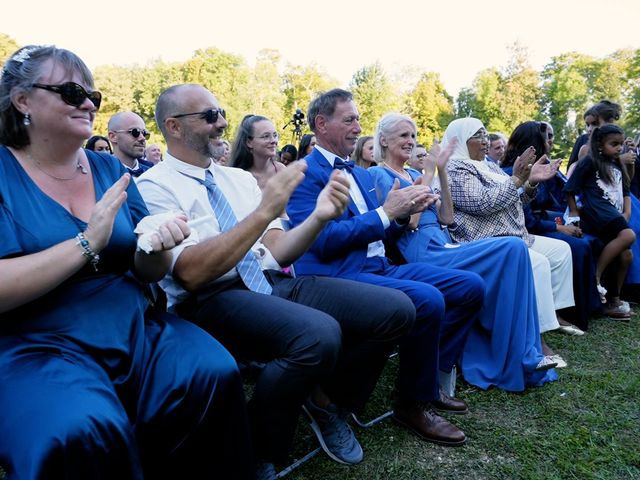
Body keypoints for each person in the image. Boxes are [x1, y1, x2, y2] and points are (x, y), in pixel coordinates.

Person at [137, 84, 416, 479]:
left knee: (396, 309)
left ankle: (325, 401)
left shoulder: (236, 179)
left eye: (221, 112)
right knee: (318, 335)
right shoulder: (155, 185)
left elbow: (279, 250)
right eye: (209, 116)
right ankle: (255, 447)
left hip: (267, 279)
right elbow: (191, 272)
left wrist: (318, 217)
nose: (221, 123)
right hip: (210, 298)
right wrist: (265, 210)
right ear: (174, 127)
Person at [0, 45, 252, 479]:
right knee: (77, 428)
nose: (87, 103)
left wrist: (154, 247)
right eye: (72, 91)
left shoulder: (104, 168)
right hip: (36, 342)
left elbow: (147, 270)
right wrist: (86, 243)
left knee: (213, 369)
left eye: (93, 97)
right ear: (23, 100)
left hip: (132, 322)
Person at [287, 88, 486, 448]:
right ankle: (412, 404)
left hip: (380, 266)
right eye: (349, 120)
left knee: (470, 287)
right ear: (321, 124)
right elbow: (322, 241)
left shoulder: (359, 175)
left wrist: (406, 211)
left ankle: (431, 378)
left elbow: (385, 230)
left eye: (358, 119)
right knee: (428, 300)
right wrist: (387, 212)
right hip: (338, 274)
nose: (357, 127)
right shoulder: (304, 173)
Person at [368, 113, 557, 391]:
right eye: (403, 136)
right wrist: (431, 173)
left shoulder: (413, 174)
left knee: (514, 252)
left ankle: (523, 353)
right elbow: (409, 223)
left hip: (445, 242)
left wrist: (440, 173)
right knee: (512, 247)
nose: (410, 141)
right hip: (424, 251)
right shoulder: (378, 174)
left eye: (413, 136)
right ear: (383, 140)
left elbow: (447, 218)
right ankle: (515, 354)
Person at [445, 117, 575, 367]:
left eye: (486, 134)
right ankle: (537, 339)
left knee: (560, 251)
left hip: (513, 233)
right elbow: (482, 203)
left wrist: (531, 182)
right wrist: (516, 179)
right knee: (536, 264)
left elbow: (515, 200)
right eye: (478, 135)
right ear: (461, 140)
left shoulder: (489, 166)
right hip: (486, 239)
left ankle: (550, 316)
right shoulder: (456, 169)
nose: (485, 141)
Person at [501, 121, 599, 331]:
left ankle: (585, 305)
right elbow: (527, 219)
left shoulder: (540, 169)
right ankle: (565, 312)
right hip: (528, 229)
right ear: (533, 143)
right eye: (547, 137)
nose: (551, 141)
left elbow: (553, 202)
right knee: (577, 247)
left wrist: (566, 219)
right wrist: (559, 228)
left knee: (585, 240)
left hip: (542, 221)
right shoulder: (513, 172)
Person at [565, 124, 636, 318]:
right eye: (614, 144)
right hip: (597, 214)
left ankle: (613, 299)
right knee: (628, 234)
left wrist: (627, 211)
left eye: (621, 144)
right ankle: (595, 277)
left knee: (626, 255)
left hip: (613, 214)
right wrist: (573, 212)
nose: (619, 148)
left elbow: (625, 190)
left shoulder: (618, 164)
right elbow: (570, 188)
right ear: (599, 144)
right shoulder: (590, 162)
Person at [229, 114, 287, 190]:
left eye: (275, 135)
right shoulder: (236, 176)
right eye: (266, 136)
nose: (273, 141)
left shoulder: (281, 171)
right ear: (249, 142)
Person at [108, 111, 154, 177]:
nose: (142, 138)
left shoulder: (153, 174)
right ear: (113, 137)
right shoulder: (99, 174)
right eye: (135, 132)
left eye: (144, 133)